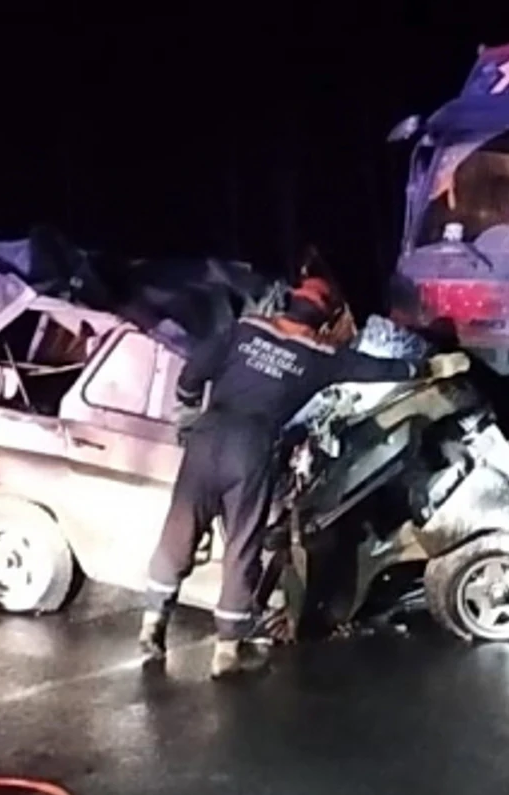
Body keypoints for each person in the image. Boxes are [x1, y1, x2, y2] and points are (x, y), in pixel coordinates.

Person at [138, 275, 469, 676]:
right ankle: (228, 652)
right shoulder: (318, 357)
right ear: (325, 320)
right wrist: (425, 366)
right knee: (242, 544)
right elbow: (373, 370)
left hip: (207, 439)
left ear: (288, 303)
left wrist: (189, 416)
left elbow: (191, 373)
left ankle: (153, 625)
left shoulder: (243, 332)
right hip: (252, 449)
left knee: (179, 530)